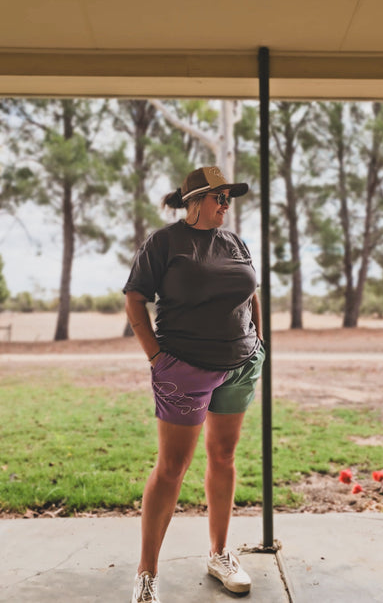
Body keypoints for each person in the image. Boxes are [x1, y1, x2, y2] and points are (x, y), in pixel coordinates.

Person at [123, 166, 264, 603]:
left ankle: (220, 553)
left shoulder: (234, 242)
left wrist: (260, 338)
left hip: (240, 364)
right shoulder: (164, 244)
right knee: (172, 468)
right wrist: (156, 358)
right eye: (218, 197)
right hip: (184, 367)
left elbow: (250, 289)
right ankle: (146, 574)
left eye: (228, 197)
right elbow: (134, 297)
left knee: (222, 456)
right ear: (194, 201)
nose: (225, 204)